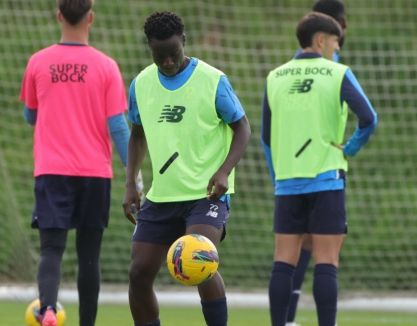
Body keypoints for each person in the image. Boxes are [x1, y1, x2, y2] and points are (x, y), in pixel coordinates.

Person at [122, 11, 251, 326]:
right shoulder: (140, 85)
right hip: (161, 196)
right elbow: (136, 135)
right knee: (138, 274)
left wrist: (224, 171)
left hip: (205, 195)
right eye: (159, 56)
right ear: (149, 49)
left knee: (198, 261)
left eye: (173, 54)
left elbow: (243, 128)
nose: (167, 62)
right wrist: (130, 184)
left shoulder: (212, 80)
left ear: (185, 42)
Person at [19, 0, 139, 325]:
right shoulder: (106, 66)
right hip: (94, 173)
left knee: (51, 250)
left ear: (59, 16)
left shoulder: (38, 62)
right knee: (89, 255)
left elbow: (30, 114)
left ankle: (47, 311)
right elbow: (117, 126)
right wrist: (134, 173)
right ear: (92, 18)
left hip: (51, 170)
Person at [262, 12, 377, 326]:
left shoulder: (275, 76)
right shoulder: (337, 73)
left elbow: (266, 137)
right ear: (321, 40)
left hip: (287, 184)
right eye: (336, 41)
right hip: (327, 179)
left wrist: (277, 177)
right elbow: (369, 118)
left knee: (283, 261)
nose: (337, 48)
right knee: (327, 261)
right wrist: (350, 148)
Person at [287, 2, 347, 326]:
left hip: (292, 167)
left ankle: (287, 318)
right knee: (324, 250)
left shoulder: (296, 66)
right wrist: (349, 147)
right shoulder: (331, 65)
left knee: (300, 244)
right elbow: (367, 117)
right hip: (323, 168)